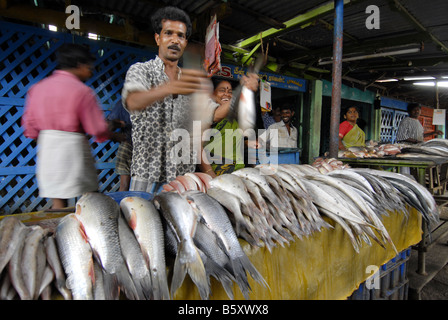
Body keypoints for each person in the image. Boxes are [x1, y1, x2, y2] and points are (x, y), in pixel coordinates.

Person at [122, 6, 207, 193]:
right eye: (168, 33)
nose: (175, 40)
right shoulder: (141, 70)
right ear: (157, 38)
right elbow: (133, 101)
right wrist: (169, 88)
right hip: (147, 176)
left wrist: (209, 173)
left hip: (183, 178)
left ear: (185, 42)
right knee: (144, 221)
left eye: (181, 35)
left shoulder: (190, 82)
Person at [21, 44, 116, 209]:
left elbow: (29, 125)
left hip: (48, 146)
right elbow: (96, 128)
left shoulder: (37, 88)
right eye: (89, 67)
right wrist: (113, 134)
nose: (91, 71)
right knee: (90, 195)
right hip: (73, 146)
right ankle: (93, 226)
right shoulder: (82, 91)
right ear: (79, 65)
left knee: (57, 196)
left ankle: (61, 230)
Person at [200, 76, 259, 177]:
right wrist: (210, 174)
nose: (227, 94)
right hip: (219, 173)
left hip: (238, 171)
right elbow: (198, 147)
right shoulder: (208, 114)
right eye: (222, 90)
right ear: (212, 94)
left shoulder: (235, 117)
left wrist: (246, 143)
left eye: (230, 92)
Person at [107, 100, 133, 191]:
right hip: (129, 141)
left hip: (144, 143)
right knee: (124, 179)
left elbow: (110, 125)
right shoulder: (123, 104)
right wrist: (117, 124)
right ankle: (123, 196)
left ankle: (123, 196)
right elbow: (110, 125)